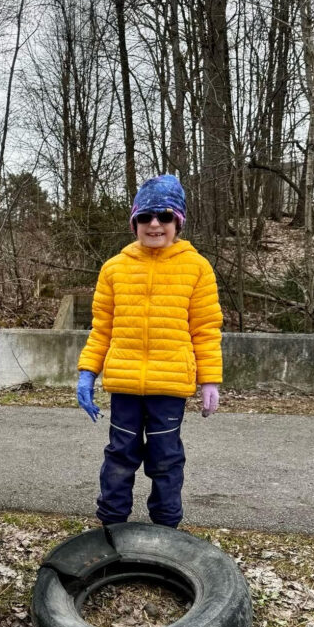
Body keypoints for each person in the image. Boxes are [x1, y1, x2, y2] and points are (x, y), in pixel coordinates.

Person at [76, 174, 222, 529]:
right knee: (119, 456)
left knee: (166, 459)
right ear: (135, 222)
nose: (155, 224)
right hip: (124, 385)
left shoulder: (197, 268)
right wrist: (87, 373)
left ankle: (167, 529)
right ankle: (111, 526)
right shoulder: (114, 268)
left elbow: (205, 330)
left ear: (178, 222)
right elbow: (102, 330)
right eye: (146, 217)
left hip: (169, 388)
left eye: (164, 216)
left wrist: (209, 381)